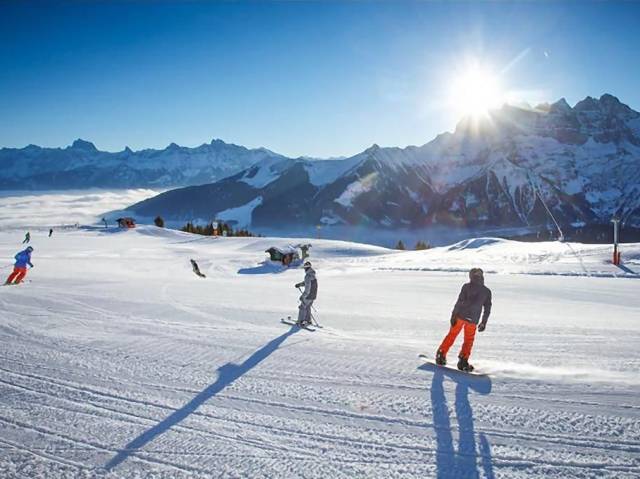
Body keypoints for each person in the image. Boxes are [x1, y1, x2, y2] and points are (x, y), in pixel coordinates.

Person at [435, 268, 492, 372]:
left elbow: (459, 301)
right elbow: (487, 309)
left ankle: (441, 354)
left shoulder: (467, 287)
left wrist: (453, 315)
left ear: (471, 276)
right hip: (472, 319)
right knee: (468, 340)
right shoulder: (486, 291)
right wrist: (484, 322)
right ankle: (463, 361)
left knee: (452, 335)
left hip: (460, 316)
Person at [294, 261, 317, 326]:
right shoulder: (313, 275)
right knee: (307, 307)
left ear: (306, 268)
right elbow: (308, 283)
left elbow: (307, 288)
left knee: (302, 307)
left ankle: (300, 321)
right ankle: (308, 320)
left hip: (308, 295)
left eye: (305, 268)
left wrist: (303, 296)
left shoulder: (307, 276)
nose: (304, 269)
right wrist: (300, 284)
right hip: (313, 295)